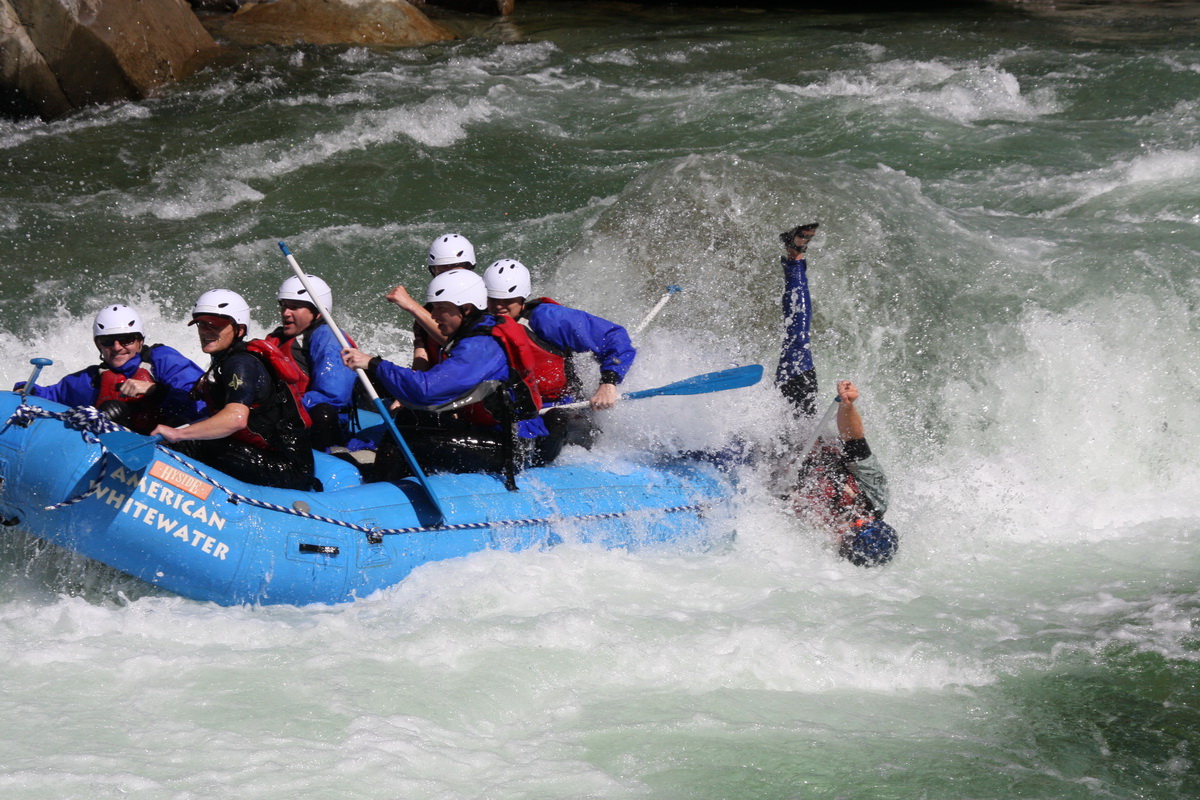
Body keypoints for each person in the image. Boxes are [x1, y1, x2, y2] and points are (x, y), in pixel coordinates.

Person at [341, 270, 554, 486]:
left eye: (441, 308)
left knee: (406, 441)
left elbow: (426, 390)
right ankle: (400, 479)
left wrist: (374, 364)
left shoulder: (482, 346)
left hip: (512, 446)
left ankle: (379, 496)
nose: (433, 316)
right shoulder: (475, 332)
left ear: (466, 309)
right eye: (433, 307)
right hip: (488, 431)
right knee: (408, 418)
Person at [150, 290, 316, 491]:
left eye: (216, 325)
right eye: (202, 324)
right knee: (179, 425)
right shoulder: (225, 360)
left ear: (239, 329)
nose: (205, 331)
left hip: (288, 469)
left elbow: (236, 419)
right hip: (263, 453)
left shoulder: (241, 363)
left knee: (189, 443)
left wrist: (178, 435)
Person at [16, 303, 204, 433]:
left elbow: (200, 399)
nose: (116, 347)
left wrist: (156, 391)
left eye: (126, 339)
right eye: (108, 341)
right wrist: (27, 389)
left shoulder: (163, 360)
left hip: (176, 444)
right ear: (99, 345)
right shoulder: (91, 380)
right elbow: (50, 396)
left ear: (140, 341)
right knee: (110, 410)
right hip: (124, 453)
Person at [481, 258, 635, 411]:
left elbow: (613, 336)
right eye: (493, 299)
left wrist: (608, 383)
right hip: (509, 409)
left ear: (522, 297)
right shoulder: (479, 324)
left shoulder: (548, 319)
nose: (498, 306)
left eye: (507, 300)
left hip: (561, 407)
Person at [790, 379, 898, 567]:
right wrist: (847, 406)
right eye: (862, 523)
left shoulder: (815, 541)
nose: (855, 522)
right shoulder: (875, 495)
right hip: (803, 436)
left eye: (848, 536)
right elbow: (854, 440)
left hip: (771, 468)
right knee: (797, 396)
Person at [264, 274, 358, 450]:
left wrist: (282, 409)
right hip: (286, 417)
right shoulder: (278, 338)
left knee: (323, 412)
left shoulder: (328, 338)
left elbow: (333, 395)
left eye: (295, 307)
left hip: (316, 422)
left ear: (317, 312)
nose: (285, 313)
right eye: (284, 306)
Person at [388, 232, 478, 371]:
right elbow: (421, 362)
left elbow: (465, 350)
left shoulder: (486, 306)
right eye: (443, 272)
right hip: (442, 382)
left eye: (455, 270)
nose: (450, 277)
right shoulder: (426, 314)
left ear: (469, 268)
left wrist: (411, 305)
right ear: (433, 271)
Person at [776, 223, 820, 417]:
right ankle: (795, 254)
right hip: (804, 401)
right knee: (799, 339)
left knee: (798, 340)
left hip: (787, 416)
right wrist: (848, 404)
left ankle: (795, 255)